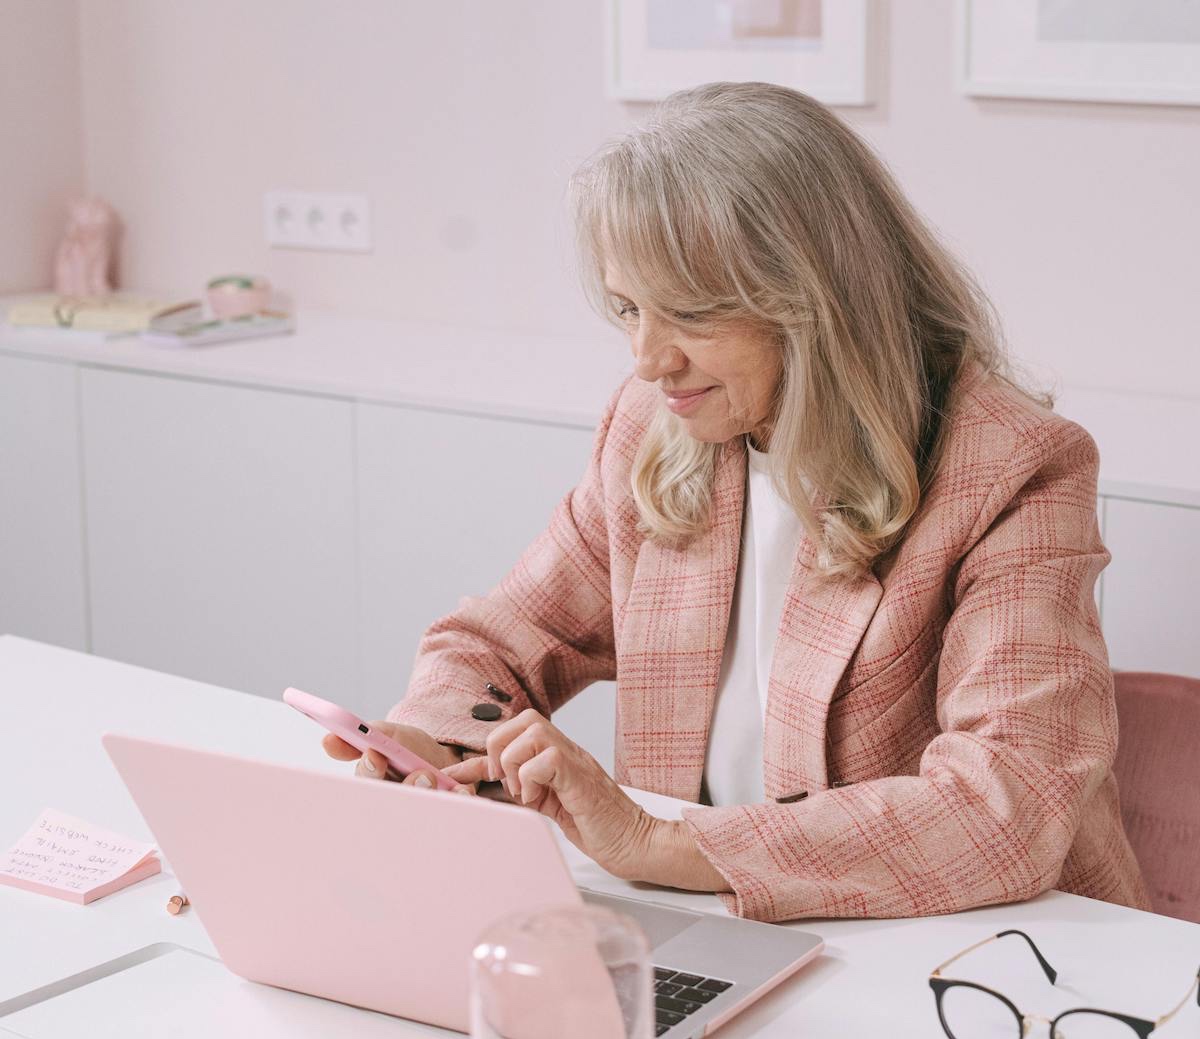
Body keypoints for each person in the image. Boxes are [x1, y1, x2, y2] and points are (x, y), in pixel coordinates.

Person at [323, 81, 1149, 922]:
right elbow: (497, 640)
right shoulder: (650, 425)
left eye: (687, 313)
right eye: (627, 308)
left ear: (820, 303)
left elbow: (1005, 803)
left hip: (981, 957)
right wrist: (436, 742)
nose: (648, 360)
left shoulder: (1012, 466)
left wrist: (664, 846)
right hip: (718, 924)